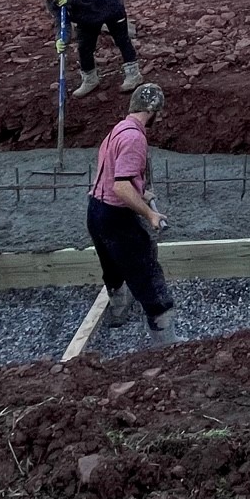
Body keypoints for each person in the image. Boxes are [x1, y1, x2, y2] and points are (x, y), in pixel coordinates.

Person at [87, 82, 177, 345]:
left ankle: (119, 309)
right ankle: (166, 342)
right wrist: (149, 214)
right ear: (152, 111)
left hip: (95, 210)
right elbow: (121, 186)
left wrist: (141, 192)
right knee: (147, 272)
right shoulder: (135, 138)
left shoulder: (117, 130)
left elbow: (113, 176)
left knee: (112, 266)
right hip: (116, 216)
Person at [25, 0, 142, 96]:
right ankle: (90, 79)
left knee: (121, 40)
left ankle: (133, 75)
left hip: (111, 7)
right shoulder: (51, 0)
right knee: (84, 47)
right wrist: (61, 39)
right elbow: (61, 21)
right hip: (86, 18)